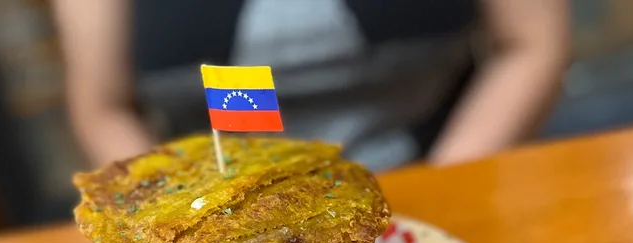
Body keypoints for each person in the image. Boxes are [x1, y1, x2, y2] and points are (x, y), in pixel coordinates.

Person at [53, 0, 570, 171]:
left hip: (441, 165)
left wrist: (442, 189)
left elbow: (531, 44)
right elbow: (103, 106)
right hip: (224, 201)